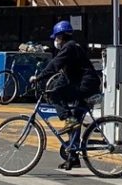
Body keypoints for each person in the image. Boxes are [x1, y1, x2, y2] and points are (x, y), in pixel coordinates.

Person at [33, 20, 101, 169]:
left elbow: (54, 65)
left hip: (86, 86)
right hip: (86, 85)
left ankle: (68, 120)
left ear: (61, 36)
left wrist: (38, 78)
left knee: (55, 96)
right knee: (74, 120)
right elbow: (64, 76)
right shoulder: (72, 48)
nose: (55, 41)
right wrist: (51, 85)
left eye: (56, 38)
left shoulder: (69, 47)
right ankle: (73, 157)